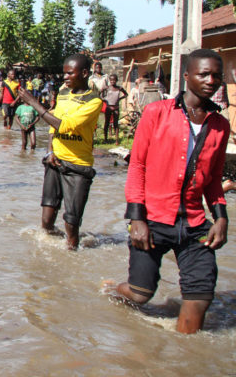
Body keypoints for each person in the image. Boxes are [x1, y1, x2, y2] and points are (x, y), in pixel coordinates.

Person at [109, 49, 228, 333]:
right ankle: (112, 291)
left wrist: (221, 218)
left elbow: (213, 180)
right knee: (141, 293)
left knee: (200, 297)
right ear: (187, 77)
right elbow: (137, 165)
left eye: (216, 75)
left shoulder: (220, 126)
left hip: (194, 224)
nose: (211, 80)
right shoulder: (157, 113)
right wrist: (136, 219)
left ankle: (183, 359)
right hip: (152, 219)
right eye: (203, 74)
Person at [17, 53, 103, 250]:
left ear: (84, 73)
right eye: (64, 73)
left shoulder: (93, 102)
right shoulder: (63, 93)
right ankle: (49, 262)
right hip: (55, 161)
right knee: (46, 221)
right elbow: (52, 126)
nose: (64, 77)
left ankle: (72, 257)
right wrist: (49, 152)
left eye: (69, 73)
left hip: (78, 166)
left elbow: (64, 125)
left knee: (71, 226)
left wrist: (34, 103)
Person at [101, 74, 126, 142]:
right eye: (111, 80)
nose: (113, 81)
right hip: (108, 107)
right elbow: (101, 93)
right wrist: (104, 99)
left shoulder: (119, 88)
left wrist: (119, 99)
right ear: (109, 80)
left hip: (116, 107)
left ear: (116, 80)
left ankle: (117, 139)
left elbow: (126, 94)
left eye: (114, 80)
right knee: (107, 123)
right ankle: (105, 139)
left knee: (115, 124)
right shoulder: (107, 88)